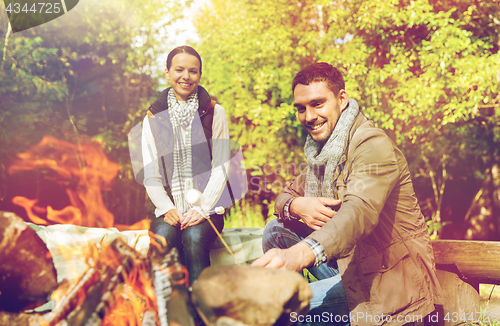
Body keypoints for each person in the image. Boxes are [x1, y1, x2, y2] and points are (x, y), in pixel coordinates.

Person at [252, 63, 443, 326]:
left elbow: (359, 213)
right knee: (275, 228)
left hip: (388, 276)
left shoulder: (372, 145)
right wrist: (297, 205)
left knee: (279, 309)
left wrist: (299, 254)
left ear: (342, 100)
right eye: (300, 108)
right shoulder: (323, 151)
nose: (308, 116)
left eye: (317, 104)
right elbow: (284, 196)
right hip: (350, 261)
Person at [142, 46, 229, 285]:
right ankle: (162, 309)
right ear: (168, 73)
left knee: (193, 236)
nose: (186, 76)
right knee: (163, 237)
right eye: (179, 69)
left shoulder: (214, 112)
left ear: (199, 75)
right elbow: (151, 174)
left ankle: (202, 311)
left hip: (208, 209)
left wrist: (202, 209)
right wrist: (166, 207)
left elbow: (221, 168)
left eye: (193, 71)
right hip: (167, 208)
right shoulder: (152, 117)